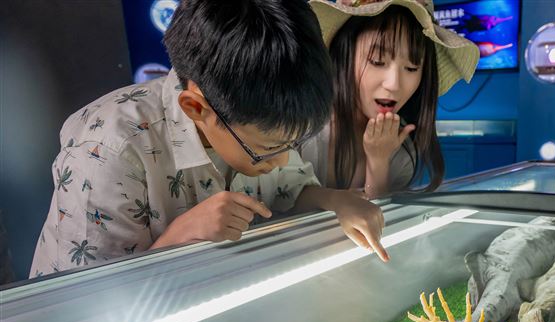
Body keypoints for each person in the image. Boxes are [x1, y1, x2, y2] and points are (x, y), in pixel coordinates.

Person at [30, 0, 388, 278]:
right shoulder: (108, 149)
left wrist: (335, 200)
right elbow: (82, 300)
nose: (281, 161)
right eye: (267, 150)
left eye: (291, 145)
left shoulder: (260, 122)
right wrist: (179, 237)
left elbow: (291, 188)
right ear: (196, 108)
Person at [299, 0, 479, 199]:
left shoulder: (402, 148)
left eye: (412, 68)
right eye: (377, 61)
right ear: (343, 55)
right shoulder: (298, 127)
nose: (394, 84)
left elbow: (381, 220)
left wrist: (379, 162)